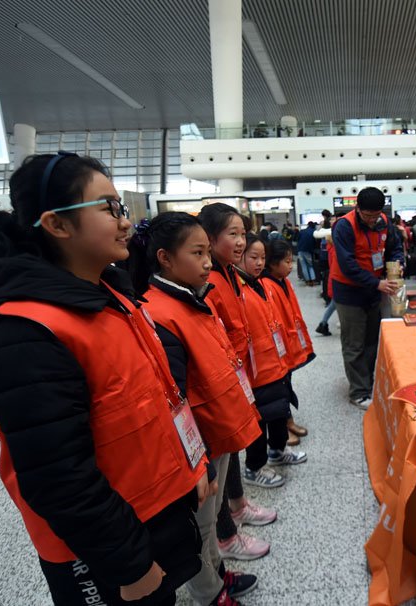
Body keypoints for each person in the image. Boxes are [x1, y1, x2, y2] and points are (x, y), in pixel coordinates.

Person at [0, 152, 212, 605]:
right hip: (102, 551)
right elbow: (57, 477)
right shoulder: (27, 333)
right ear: (56, 225)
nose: (125, 222)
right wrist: (130, 565)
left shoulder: (111, 297)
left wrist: (194, 464)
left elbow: (157, 399)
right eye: (108, 208)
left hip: (150, 513)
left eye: (122, 207)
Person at [127, 212, 261, 606]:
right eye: (197, 252)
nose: (208, 262)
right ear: (165, 258)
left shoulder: (192, 297)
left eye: (207, 252)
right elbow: (174, 399)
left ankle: (217, 573)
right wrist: (196, 459)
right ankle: (209, 593)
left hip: (217, 430)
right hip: (198, 443)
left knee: (212, 515)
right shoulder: (160, 312)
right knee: (200, 526)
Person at [197, 202, 277, 561]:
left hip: (238, 375)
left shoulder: (230, 272)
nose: (242, 242)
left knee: (234, 449)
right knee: (225, 452)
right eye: (233, 234)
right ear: (209, 239)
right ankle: (227, 535)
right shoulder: (210, 281)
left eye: (243, 233)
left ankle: (238, 505)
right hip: (222, 382)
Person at [236, 233, 307, 483]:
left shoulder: (262, 284)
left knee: (278, 409)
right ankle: (254, 468)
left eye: (262, 258)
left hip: (274, 361)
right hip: (254, 368)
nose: (258, 263)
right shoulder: (236, 288)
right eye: (253, 257)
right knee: (260, 418)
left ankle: (278, 451)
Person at [329, 186, 404, 409]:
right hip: (349, 290)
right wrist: (377, 283)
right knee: (354, 343)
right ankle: (358, 392)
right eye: (367, 215)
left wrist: (397, 263)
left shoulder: (384, 222)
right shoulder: (344, 226)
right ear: (358, 209)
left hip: (373, 289)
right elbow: (347, 265)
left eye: (376, 215)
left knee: (372, 341)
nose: (372, 220)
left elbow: (394, 248)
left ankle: (369, 382)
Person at [261, 238, 314, 446]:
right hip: (277, 346)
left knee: (287, 383)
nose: (291, 266)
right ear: (273, 264)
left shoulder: (284, 281)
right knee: (280, 387)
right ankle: (283, 424)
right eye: (287, 262)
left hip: (288, 343)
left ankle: (288, 420)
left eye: (291, 262)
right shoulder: (267, 285)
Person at [296, 221, 318, 286]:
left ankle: (307, 281)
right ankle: (313, 281)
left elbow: (297, 239)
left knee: (304, 266)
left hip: (300, 250)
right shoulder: (314, 232)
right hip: (308, 251)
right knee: (310, 266)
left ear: (308, 225)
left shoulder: (302, 231)